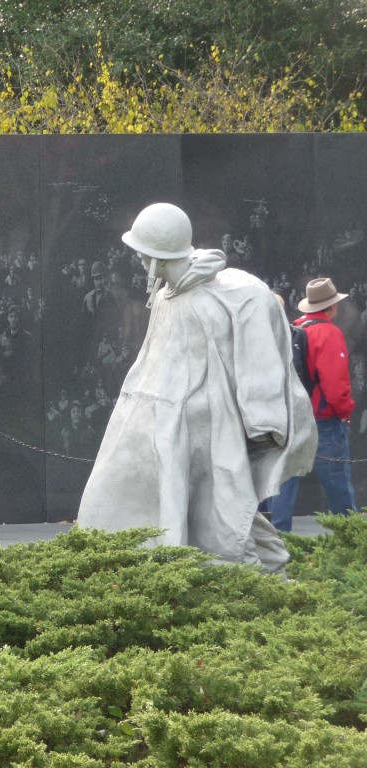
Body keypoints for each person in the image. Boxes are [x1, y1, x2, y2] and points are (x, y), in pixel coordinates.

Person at [77, 203, 316, 573]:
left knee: (220, 520)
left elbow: (251, 363)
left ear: (159, 255)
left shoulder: (214, 300)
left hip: (202, 427)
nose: (139, 260)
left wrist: (259, 422)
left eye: (144, 254)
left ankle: (257, 582)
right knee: (161, 510)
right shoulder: (164, 296)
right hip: (153, 422)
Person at [266, 277, 357, 531]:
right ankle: (350, 540)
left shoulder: (292, 329)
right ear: (331, 307)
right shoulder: (329, 333)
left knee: (284, 483)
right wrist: (345, 412)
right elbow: (335, 385)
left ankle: (279, 542)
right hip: (324, 421)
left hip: (292, 417)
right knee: (338, 485)